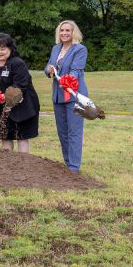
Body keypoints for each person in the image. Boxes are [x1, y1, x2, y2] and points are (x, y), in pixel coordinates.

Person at [44, 20, 88, 172]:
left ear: (73, 32)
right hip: (58, 96)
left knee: (74, 132)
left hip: (74, 96)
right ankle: (67, 163)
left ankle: (74, 168)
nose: (64, 33)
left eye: (67, 30)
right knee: (62, 132)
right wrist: (48, 69)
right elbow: (49, 66)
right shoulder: (56, 48)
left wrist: (67, 79)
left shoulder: (80, 49)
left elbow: (76, 71)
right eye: (62, 30)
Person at [0, 33, 40, 152]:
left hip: (22, 107)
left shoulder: (17, 63)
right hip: (2, 108)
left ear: (10, 48)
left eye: (3, 49)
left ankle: (23, 165)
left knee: (22, 137)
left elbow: (20, 87)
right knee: (5, 137)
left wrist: (2, 97)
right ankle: (8, 168)